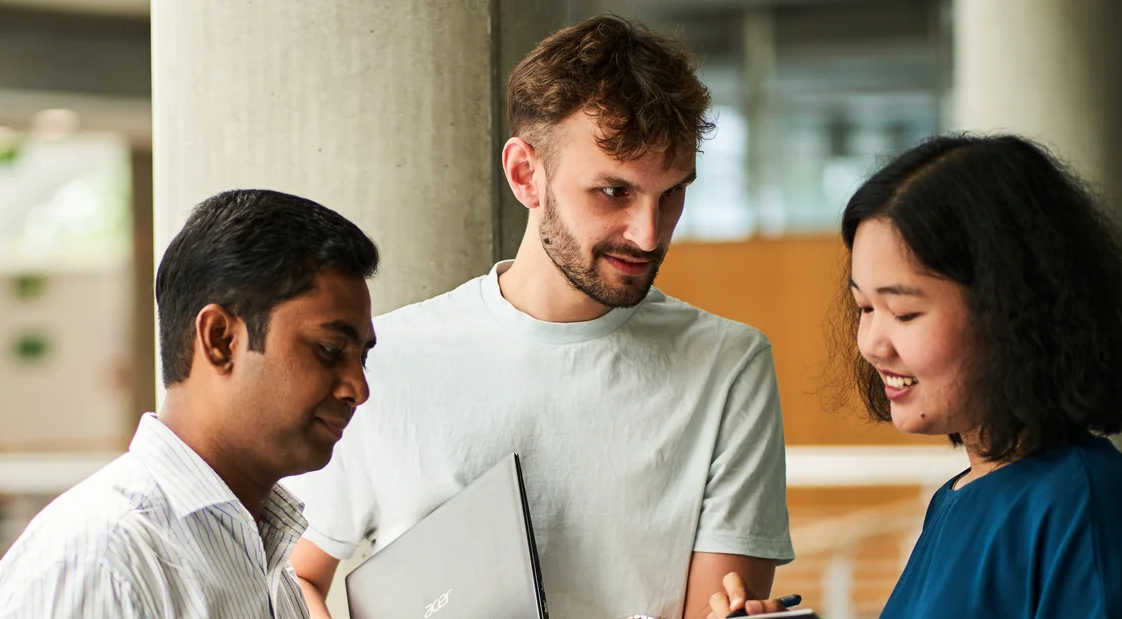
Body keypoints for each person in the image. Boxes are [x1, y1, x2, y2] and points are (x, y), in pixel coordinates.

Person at [288, 15, 793, 619]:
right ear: (527, 174)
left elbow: (715, 607)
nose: (649, 233)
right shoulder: (385, 361)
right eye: (614, 192)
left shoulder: (728, 365)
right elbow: (292, 577)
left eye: (672, 193)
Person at [711, 134, 1122, 618]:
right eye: (864, 307)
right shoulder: (960, 496)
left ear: (1013, 312)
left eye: (904, 312)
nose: (871, 343)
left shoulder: (1083, 509)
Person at [0, 189, 380, 618]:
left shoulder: (265, 560)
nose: (358, 388)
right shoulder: (99, 563)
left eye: (363, 357)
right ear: (221, 340)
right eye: (331, 348)